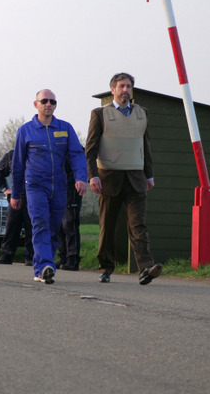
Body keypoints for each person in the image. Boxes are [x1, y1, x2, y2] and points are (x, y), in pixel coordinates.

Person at [84, 72, 163, 285]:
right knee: (108, 226)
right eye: (121, 86)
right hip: (109, 178)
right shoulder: (100, 114)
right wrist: (93, 176)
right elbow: (90, 149)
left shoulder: (142, 113)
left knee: (138, 225)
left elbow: (145, 145)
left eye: (128, 86)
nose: (125, 90)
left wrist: (149, 174)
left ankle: (146, 268)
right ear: (113, 90)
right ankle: (105, 268)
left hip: (136, 178)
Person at [11, 89, 88, 284]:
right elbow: (18, 164)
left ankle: (41, 270)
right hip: (35, 185)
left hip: (59, 186)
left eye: (52, 101)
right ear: (35, 104)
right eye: (44, 100)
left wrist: (80, 177)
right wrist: (16, 193)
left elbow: (77, 155)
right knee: (40, 224)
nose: (48, 104)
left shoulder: (65, 128)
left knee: (54, 228)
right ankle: (46, 265)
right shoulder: (25, 130)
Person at [0, 149, 33, 265]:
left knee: (31, 226)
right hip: (16, 195)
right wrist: (5, 189)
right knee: (11, 225)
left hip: (32, 194)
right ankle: (6, 255)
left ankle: (30, 256)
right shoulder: (11, 155)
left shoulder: (36, 154)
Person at [56, 160, 83, 271]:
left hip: (72, 187)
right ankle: (63, 256)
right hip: (59, 186)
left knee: (69, 223)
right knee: (59, 224)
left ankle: (73, 258)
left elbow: (80, 165)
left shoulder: (75, 148)